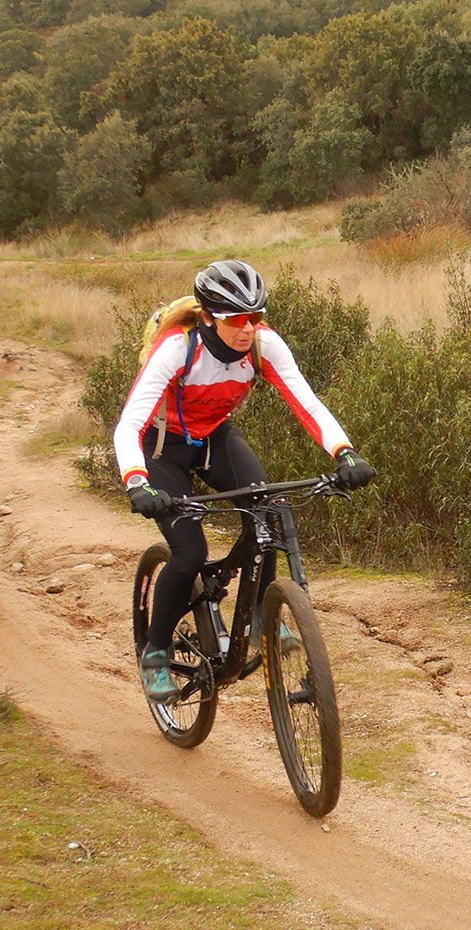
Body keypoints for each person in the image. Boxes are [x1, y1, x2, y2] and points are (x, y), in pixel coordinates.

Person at [115, 259, 375, 703]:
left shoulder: (264, 346)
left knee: (266, 508)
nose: (247, 328)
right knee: (190, 551)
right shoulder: (179, 348)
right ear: (209, 317)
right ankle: (156, 652)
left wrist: (344, 451)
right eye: (236, 319)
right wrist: (138, 482)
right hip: (163, 446)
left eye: (255, 317)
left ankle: (260, 617)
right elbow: (130, 423)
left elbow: (306, 403)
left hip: (214, 437)